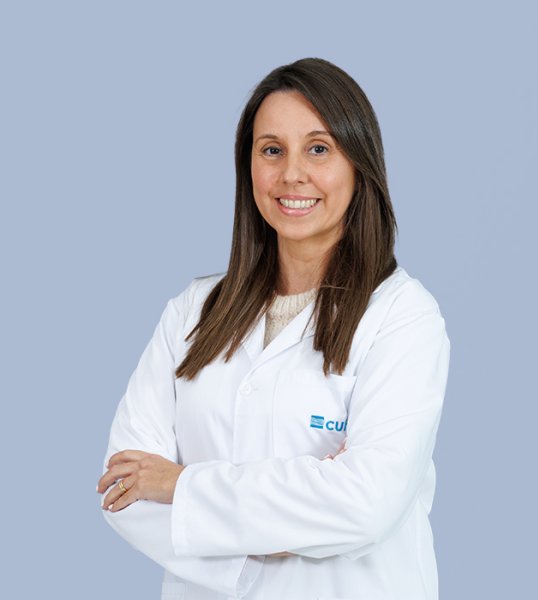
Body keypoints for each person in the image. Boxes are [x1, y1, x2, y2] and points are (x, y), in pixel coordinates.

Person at [97, 56, 451, 600]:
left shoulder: (402, 317)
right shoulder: (193, 311)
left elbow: (366, 503)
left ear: (359, 164)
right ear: (249, 167)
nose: (292, 174)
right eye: (271, 150)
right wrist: (293, 525)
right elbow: (122, 488)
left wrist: (180, 485)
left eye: (318, 149)